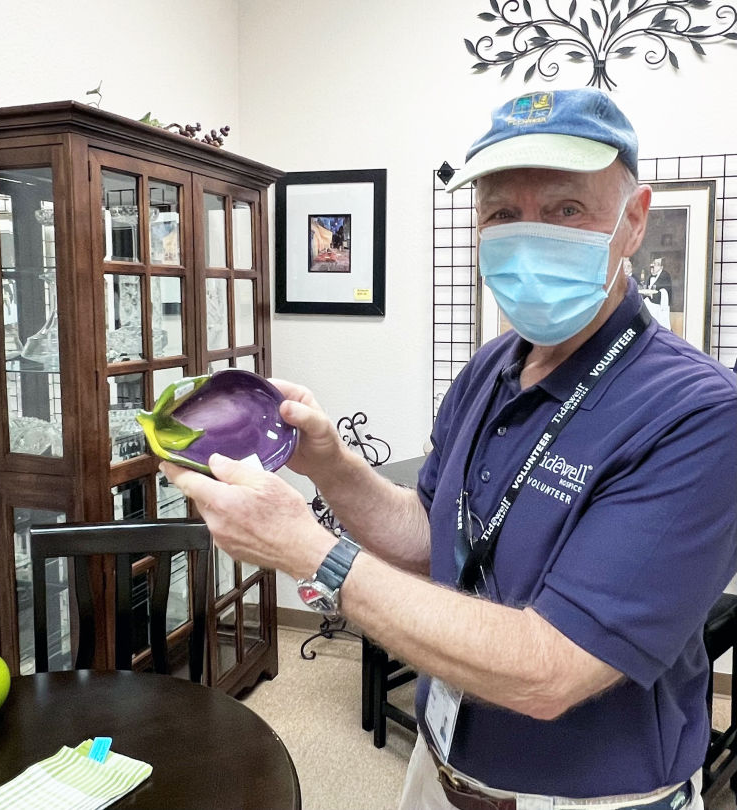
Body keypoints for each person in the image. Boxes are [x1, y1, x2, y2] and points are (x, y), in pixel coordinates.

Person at [163, 88, 737, 809]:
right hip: (442, 769)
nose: (529, 236)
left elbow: (550, 670)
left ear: (634, 220)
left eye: (566, 209)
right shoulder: (492, 366)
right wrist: (330, 465)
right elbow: (425, 535)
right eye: (501, 212)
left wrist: (311, 554)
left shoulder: (700, 413)